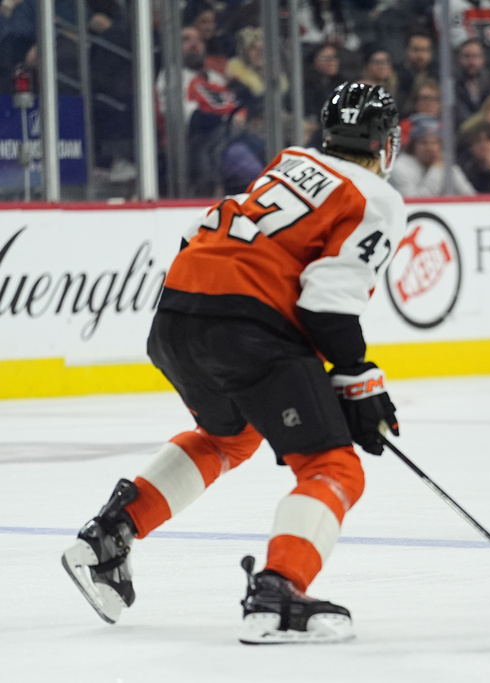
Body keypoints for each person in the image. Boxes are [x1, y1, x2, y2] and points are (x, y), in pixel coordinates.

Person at [62, 83, 408, 644]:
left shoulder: (291, 163)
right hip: (246, 329)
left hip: (176, 313)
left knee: (230, 436)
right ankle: (278, 593)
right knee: (332, 466)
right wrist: (358, 384)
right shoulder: (374, 197)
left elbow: (201, 235)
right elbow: (327, 302)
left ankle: (107, 538)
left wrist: (349, 383)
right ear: (387, 144)